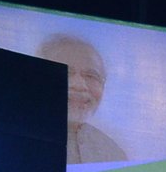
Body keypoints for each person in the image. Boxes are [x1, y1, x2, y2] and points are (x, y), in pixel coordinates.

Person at [41, 34, 127, 165]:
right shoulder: (16, 134)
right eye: (66, 72)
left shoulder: (113, 153)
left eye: (91, 76)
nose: (79, 85)